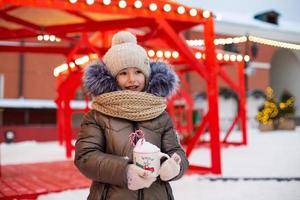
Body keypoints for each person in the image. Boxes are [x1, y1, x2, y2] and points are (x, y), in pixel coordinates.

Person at [75, 31, 189, 200]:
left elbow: (175, 150)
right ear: (112, 78)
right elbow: (86, 156)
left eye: (138, 72)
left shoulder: (159, 115)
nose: (132, 79)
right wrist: (124, 171)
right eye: (123, 73)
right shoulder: (97, 116)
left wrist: (173, 166)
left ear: (147, 74)